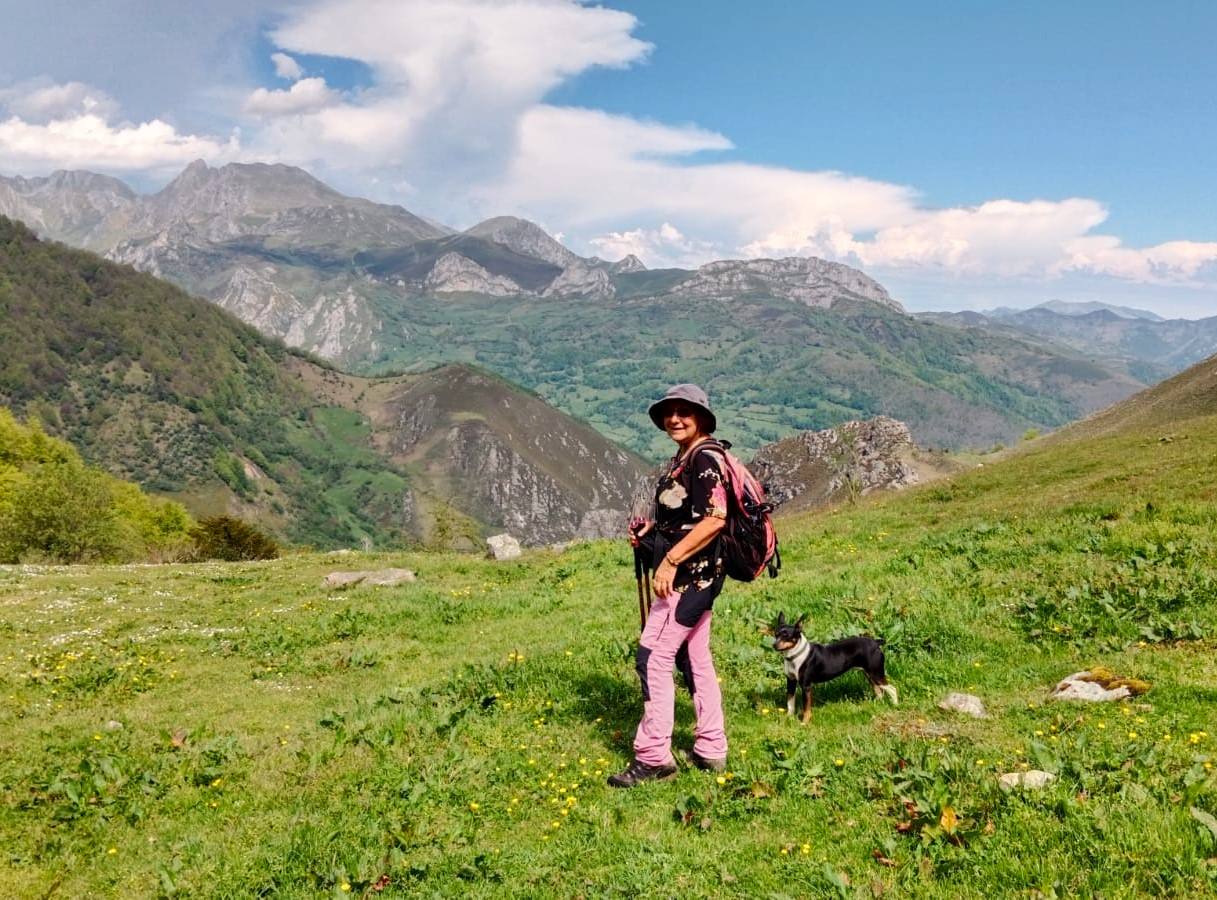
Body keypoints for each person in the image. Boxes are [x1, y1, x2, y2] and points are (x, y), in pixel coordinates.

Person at [608, 383, 730, 788]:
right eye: (670, 412)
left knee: (652, 659)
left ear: (702, 419)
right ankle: (711, 747)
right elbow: (689, 518)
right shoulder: (687, 457)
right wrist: (653, 531)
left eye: (685, 412)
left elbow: (715, 518)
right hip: (702, 579)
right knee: (696, 658)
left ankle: (654, 756)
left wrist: (671, 561)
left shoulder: (705, 458)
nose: (675, 419)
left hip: (685, 580)